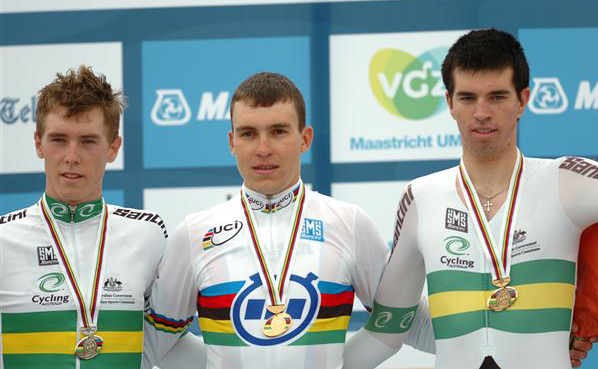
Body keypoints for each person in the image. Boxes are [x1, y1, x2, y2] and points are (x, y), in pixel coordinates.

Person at [343, 28, 598, 369]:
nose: (481, 112)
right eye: (467, 98)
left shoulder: (567, 180)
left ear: (522, 100)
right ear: (449, 102)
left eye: (496, 97)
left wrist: (589, 312)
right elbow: (387, 332)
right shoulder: (421, 197)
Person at [143, 72, 435, 369]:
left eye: (278, 131)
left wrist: (481, 337)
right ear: (232, 142)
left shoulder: (350, 223)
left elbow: (406, 321)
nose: (263, 148)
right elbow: (156, 339)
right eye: (248, 133)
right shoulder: (195, 233)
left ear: (304, 138)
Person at [0, 66, 167, 368]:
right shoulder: (3, 239)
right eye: (59, 140)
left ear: (113, 147)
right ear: (38, 144)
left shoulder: (149, 235)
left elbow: (173, 342)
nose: (72, 156)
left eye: (88, 141)